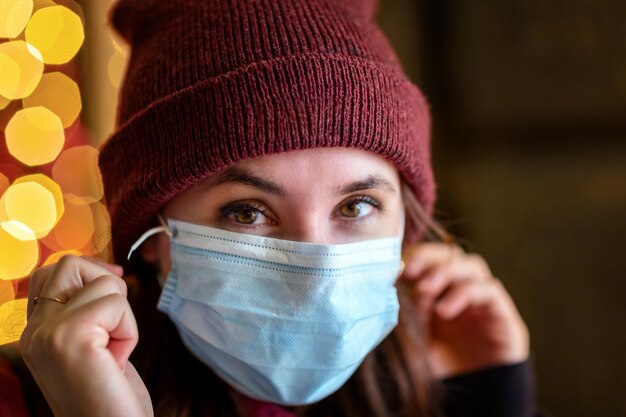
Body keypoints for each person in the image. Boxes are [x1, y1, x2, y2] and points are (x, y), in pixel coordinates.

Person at [1, 0, 547, 416]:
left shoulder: (440, 376)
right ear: (154, 236)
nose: (313, 272)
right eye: (246, 211)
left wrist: (490, 395)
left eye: (357, 205)